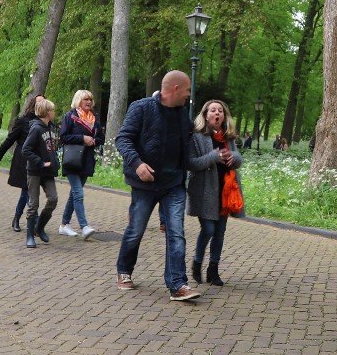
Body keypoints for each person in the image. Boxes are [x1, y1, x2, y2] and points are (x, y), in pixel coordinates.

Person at [113, 71, 198, 300]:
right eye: (187, 90)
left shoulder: (183, 115)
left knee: (176, 233)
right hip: (144, 184)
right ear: (175, 89)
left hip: (174, 184)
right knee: (136, 230)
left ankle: (177, 284)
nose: (189, 95)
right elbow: (123, 139)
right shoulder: (141, 108)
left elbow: (191, 139)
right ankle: (124, 270)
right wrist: (137, 164)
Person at [188, 99, 244, 286]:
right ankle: (197, 263)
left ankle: (213, 269)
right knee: (209, 229)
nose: (217, 113)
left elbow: (238, 159)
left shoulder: (228, 137)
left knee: (220, 232)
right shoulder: (197, 137)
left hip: (225, 191)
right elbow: (191, 163)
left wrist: (234, 157)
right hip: (204, 191)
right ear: (205, 115)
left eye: (220, 110)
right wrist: (214, 157)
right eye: (213, 110)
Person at [0, 93, 42, 232]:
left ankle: (16, 218)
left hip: (37, 161)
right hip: (23, 161)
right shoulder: (23, 120)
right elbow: (10, 140)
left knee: (26, 192)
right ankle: (36, 222)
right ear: (33, 105)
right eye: (38, 102)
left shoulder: (45, 122)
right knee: (28, 191)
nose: (41, 105)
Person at [56, 88, 101, 239]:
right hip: (72, 160)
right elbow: (63, 137)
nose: (89, 102)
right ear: (78, 101)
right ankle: (84, 226)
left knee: (74, 193)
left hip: (86, 160)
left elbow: (100, 137)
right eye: (85, 99)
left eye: (90, 99)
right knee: (78, 193)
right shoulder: (70, 116)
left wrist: (94, 141)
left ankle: (64, 225)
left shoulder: (95, 117)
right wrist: (82, 138)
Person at [21, 98, 61, 247]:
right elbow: (26, 150)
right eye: (53, 110)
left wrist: (55, 163)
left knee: (53, 199)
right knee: (33, 204)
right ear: (47, 112)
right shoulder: (36, 128)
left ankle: (39, 227)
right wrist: (40, 162)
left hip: (48, 172)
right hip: (35, 171)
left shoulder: (50, 128)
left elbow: (50, 148)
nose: (54, 113)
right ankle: (29, 236)